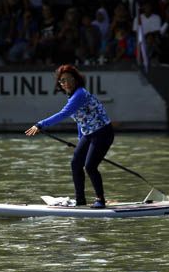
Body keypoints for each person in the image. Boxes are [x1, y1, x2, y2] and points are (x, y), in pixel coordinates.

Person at [25, 65, 114, 208]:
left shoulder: (80, 94)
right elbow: (80, 121)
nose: (65, 83)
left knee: (90, 166)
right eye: (62, 81)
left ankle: (100, 200)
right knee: (75, 163)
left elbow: (63, 114)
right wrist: (81, 142)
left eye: (68, 79)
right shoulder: (72, 96)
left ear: (76, 80)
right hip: (89, 134)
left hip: (103, 133)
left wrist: (40, 124)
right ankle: (80, 201)